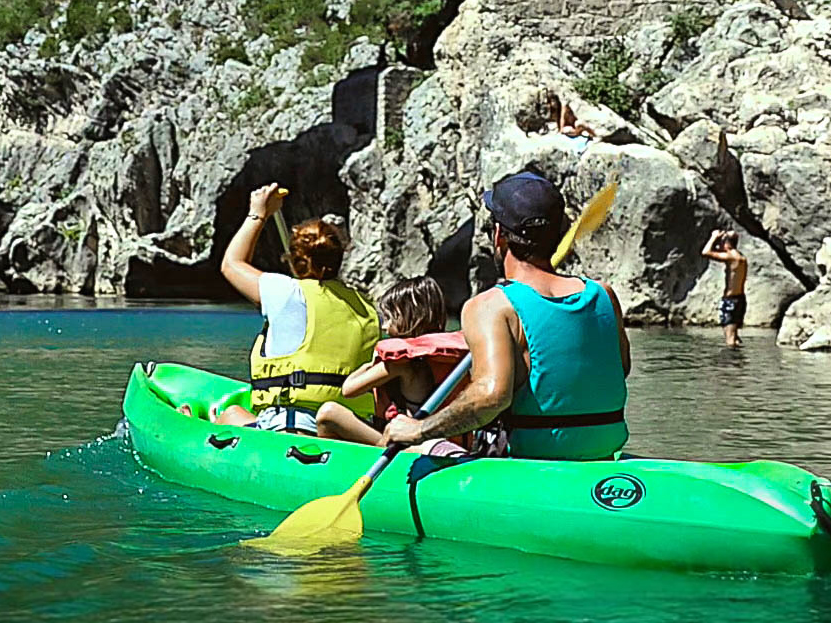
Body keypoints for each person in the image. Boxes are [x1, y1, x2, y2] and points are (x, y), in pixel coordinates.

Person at [381, 169, 631, 461]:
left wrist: (419, 429)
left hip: (530, 461)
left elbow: (491, 397)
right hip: (605, 452)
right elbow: (618, 370)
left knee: (418, 446)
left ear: (498, 235)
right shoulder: (603, 294)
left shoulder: (491, 306)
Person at [214, 183, 380, 434]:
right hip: (351, 431)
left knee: (230, 414)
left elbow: (231, 264)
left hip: (292, 429)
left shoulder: (285, 292)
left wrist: (258, 213)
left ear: (292, 259)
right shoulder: (365, 305)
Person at [315, 275, 472, 455]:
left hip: (413, 447)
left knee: (328, 414)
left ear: (410, 317)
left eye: (390, 318)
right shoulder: (433, 359)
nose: (384, 327)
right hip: (438, 443)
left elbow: (349, 389)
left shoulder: (402, 364)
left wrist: (373, 360)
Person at [702, 228, 748, 347]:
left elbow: (706, 252)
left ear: (726, 243)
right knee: (735, 337)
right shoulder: (741, 258)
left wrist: (714, 237)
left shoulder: (730, 257)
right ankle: (738, 362)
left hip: (730, 301)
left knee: (730, 339)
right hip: (740, 300)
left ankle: (730, 363)